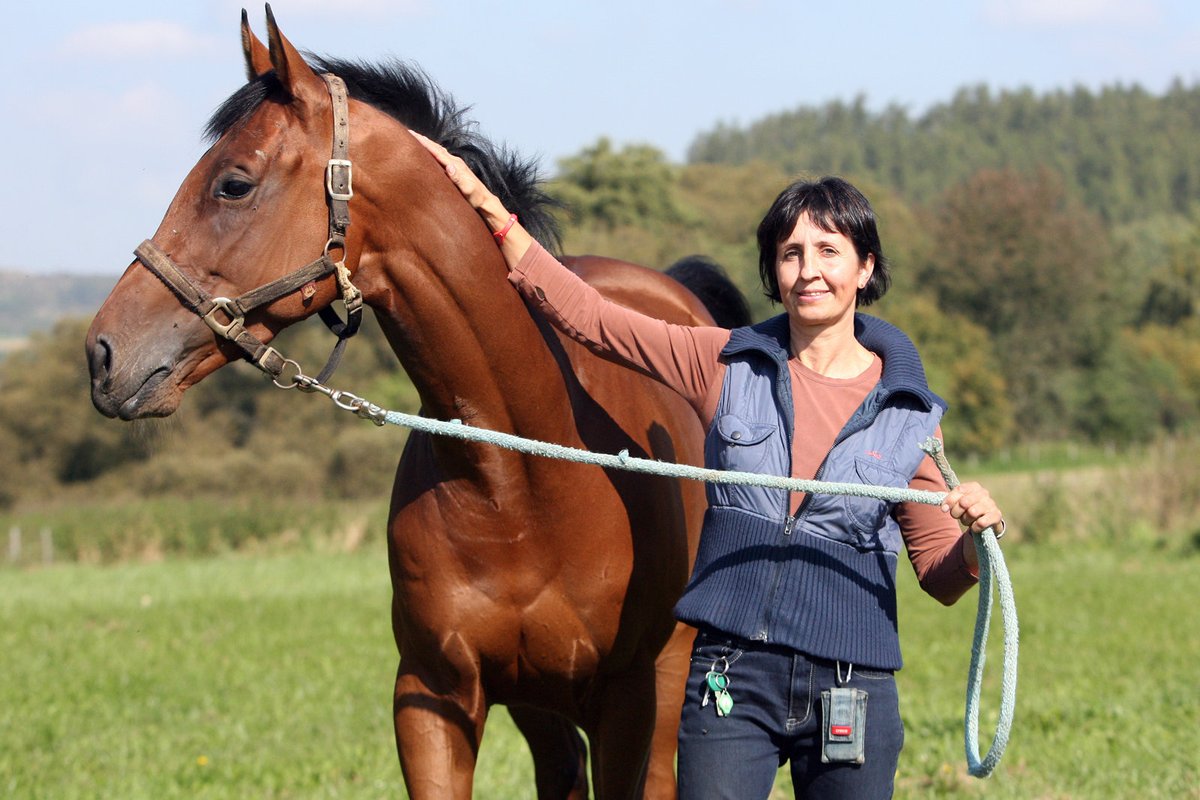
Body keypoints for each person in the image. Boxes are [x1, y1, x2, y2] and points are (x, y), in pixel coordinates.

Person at [411, 131, 1005, 800]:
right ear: (773, 272)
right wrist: (495, 218)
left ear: (865, 268)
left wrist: (978, 544)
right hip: (730, 678)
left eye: (829, 252)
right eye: (791, 254)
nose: (809, 270)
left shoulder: (910, 414)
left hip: (852, 685)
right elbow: (593, 318)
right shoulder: (721, 363)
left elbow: (940, 576)